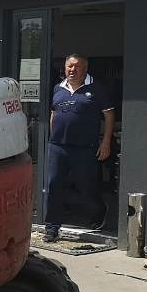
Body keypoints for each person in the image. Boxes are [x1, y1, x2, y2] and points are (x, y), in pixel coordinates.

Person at [43, 53, 115, 242]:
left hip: (85, 148)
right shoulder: (58, 88)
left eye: (76, 66)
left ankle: (99, 212)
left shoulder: (97, 88)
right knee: (54, 185)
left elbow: (109, 116)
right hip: (58, 147)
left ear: (85, 69)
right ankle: (52, 227)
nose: (72, 70)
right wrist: (54, 137)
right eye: (69, 67)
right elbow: (53, 113)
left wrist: (105, 142)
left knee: (86, 186)